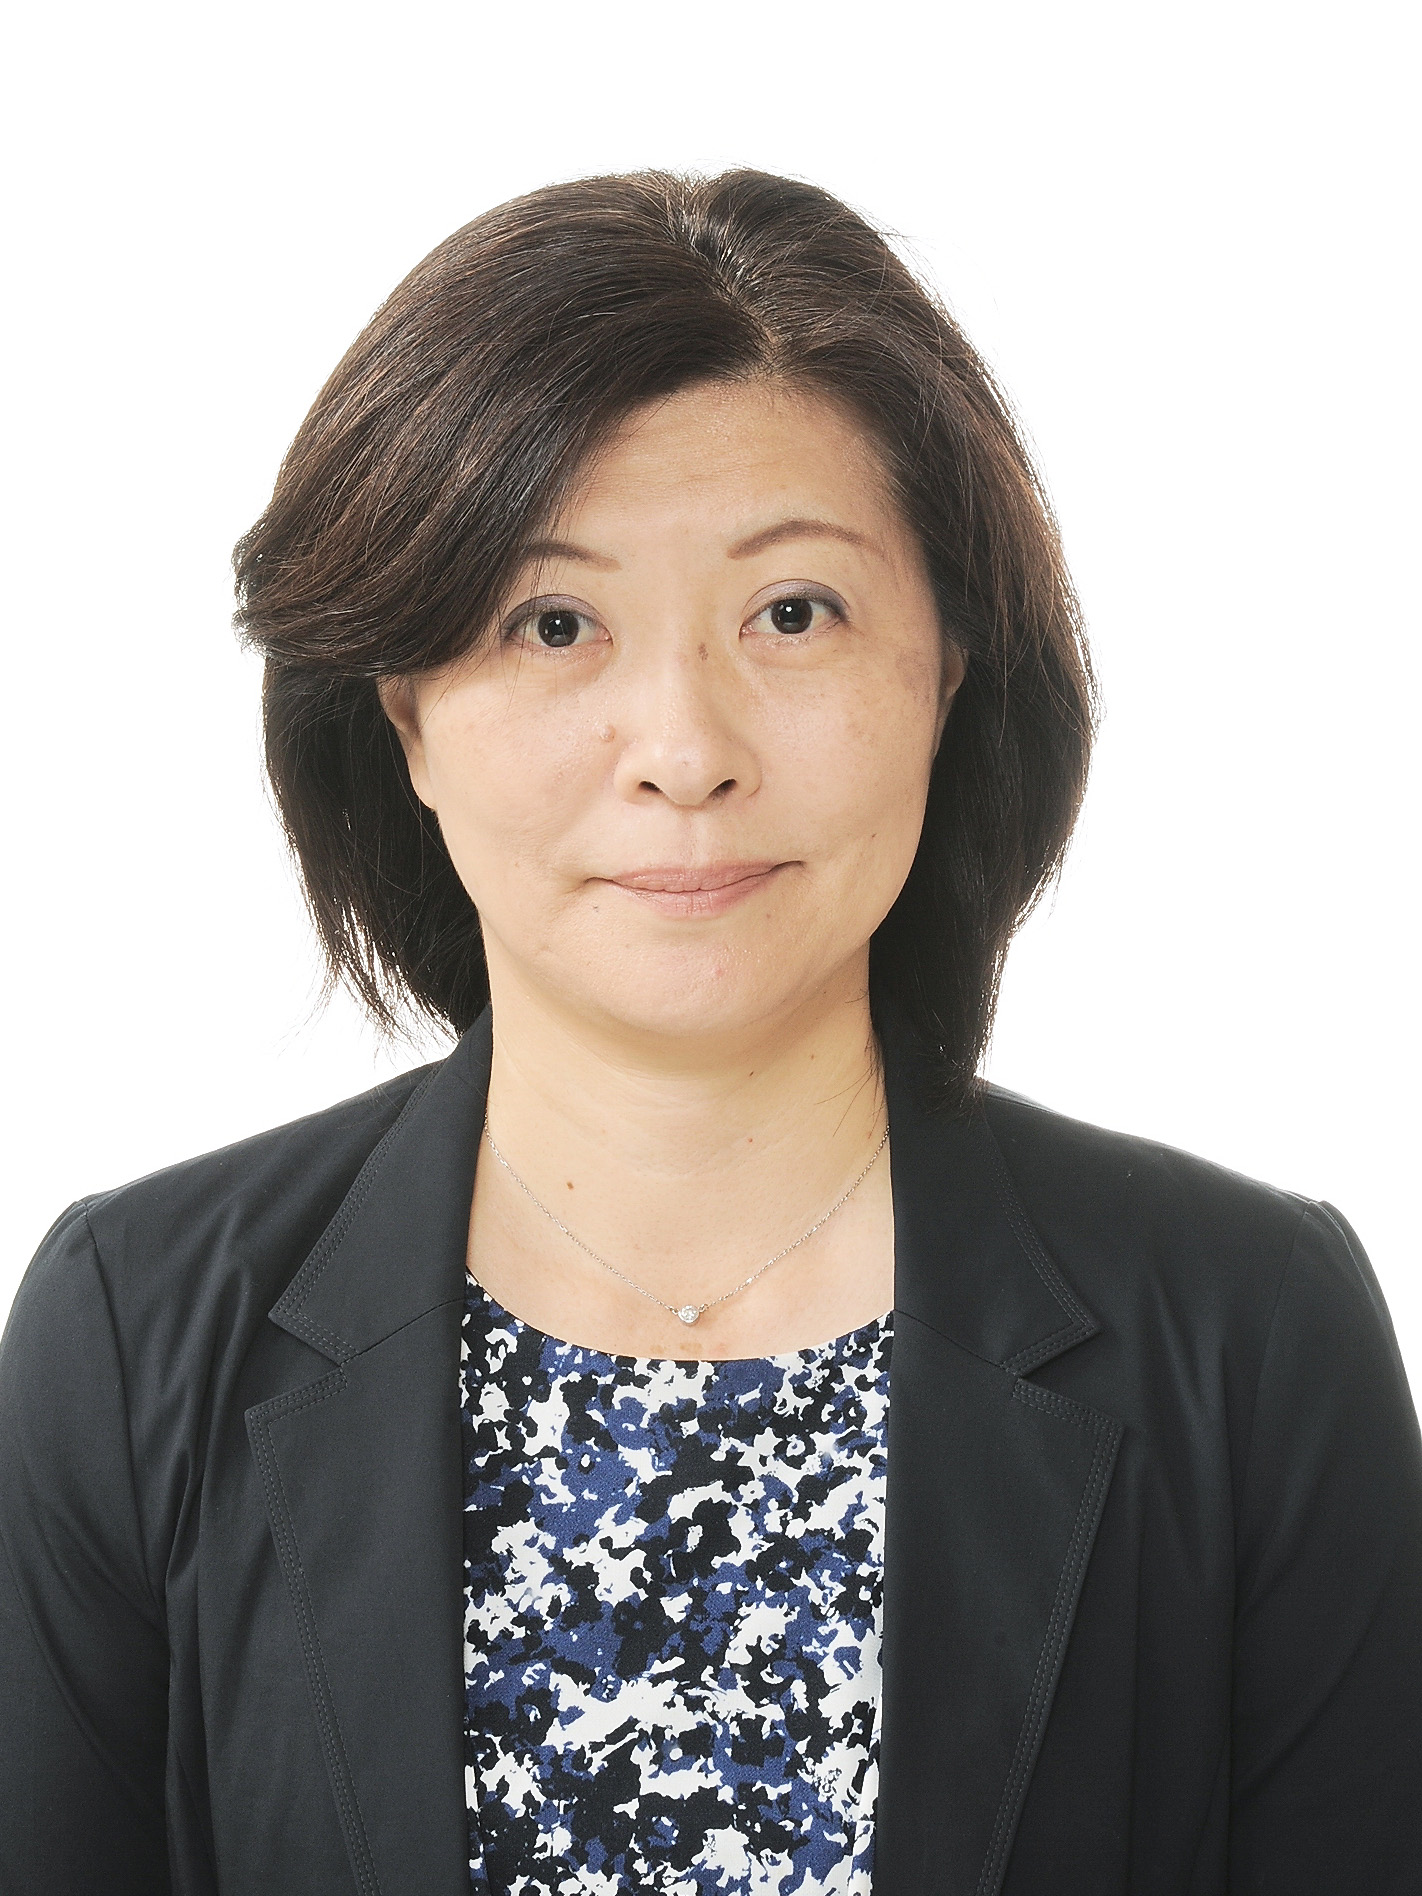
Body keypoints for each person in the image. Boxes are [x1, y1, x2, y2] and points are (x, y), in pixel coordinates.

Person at [1, 168, 1418, 1896]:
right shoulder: (137, 1333)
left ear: (948, 667)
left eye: (792, 613)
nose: (683, 751)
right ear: (402, 711)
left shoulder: (1248, 1333)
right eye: (554, 624)